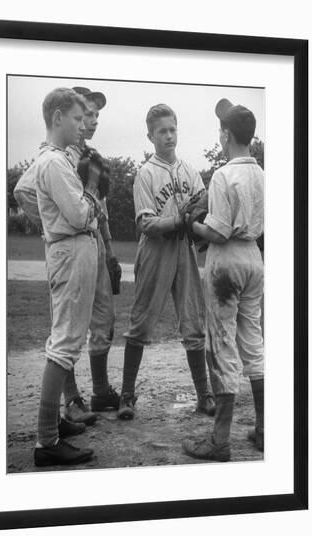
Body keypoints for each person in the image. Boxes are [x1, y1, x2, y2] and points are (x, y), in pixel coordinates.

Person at [14, 86, 120, 429]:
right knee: (68, 332)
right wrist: (53, 223)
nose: (90, 121)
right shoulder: (59, 156)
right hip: (71, 242)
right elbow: (25, 191)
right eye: (84, 114)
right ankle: (71, 400)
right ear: (65, 116)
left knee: (101, 320)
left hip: (92, 242)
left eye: (93, 116)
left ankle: (100, 391)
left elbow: (97, 209)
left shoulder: (87, 153)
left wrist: (108, 249)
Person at [118, 104, 215, 420]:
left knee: (193, 321)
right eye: (162, 131)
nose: (169, 135)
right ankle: (127, 396)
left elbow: (202, 206)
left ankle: (204, 396)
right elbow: (146, 223)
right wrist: (181, 219)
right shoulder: (145, 173)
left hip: (183, 250)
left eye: (173, 129)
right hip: (155, 251)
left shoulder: (189, 170)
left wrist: (195, 219)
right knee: (141, 322)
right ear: (150, 136)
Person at [182, 98, 264, 462]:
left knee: (223, 345)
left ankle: (220, 440)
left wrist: (192, 224)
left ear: (227, 135)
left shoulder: (223, 174)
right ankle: (263, 429)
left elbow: (216, 231)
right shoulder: (261, 173)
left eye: (221, 129)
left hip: (227, 260)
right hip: (253, 258)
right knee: (253, 341)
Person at [31, 87, 103, 466]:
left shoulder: (55, 159)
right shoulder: (56, 163)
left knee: (66, 337)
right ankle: (47, 441)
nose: (81, 125)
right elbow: (78, 215)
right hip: (71, 246)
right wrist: (91, 189)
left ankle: (53, 425)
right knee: (65, 342)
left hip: (73, 247)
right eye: (76, 118)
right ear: (57, 117)